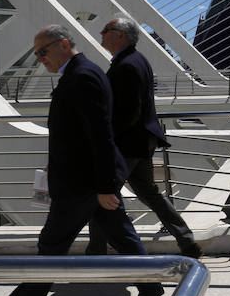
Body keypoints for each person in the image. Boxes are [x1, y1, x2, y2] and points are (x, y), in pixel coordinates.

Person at [0, 25, 165, 296]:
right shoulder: (81, 73)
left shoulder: (83, 76)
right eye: (36, 54)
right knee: (123, 237)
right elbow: (76, 133)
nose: (39, 59)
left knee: (52, 243)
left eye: (43, 52)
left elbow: (101, 134)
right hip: (87, 180)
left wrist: (104, 186)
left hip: (84, 184)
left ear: (63, 44)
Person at [86, 14, 202, 259]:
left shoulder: (126, 65)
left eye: (105, 29)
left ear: (120, 35)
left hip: (126, 145)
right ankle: (186, 240)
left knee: (102, 198)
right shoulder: (137, 61)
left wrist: (107, 140)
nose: (101, 34)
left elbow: (128, 112)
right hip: (141, 142)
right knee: (149, 193)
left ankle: (96, 255)